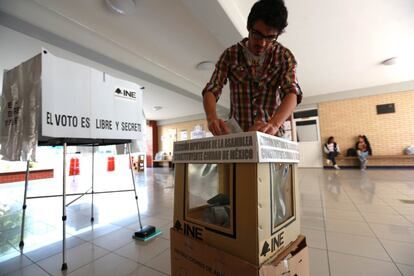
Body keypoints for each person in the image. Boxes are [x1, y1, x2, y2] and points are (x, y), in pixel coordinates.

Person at [202, 0, 302, 136]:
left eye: (270, 38)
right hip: (239, 136)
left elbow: (292, 93)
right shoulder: (230, 55)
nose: (262, 43)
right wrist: (211, 118)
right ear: (249, 27)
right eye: (257, 35)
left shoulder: (284, 56)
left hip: (271, 135)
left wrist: (274, 124)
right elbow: (212, 89)